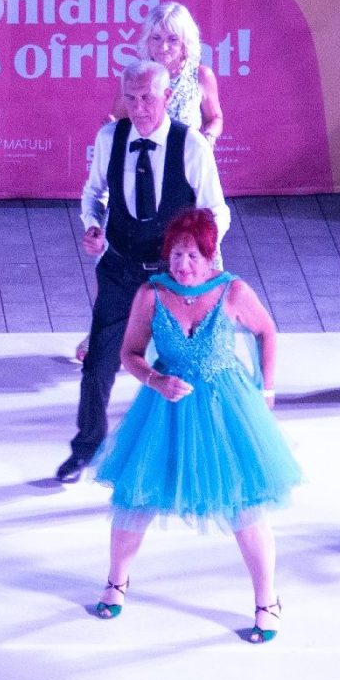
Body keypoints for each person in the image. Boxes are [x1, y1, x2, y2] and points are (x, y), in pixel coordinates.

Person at [88, 209, 299, 641]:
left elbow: (267, 331)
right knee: (135, 497)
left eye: (192, 256)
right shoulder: (151, 294)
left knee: (244, 505)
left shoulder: (234, 291)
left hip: (226, 408)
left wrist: (267, 390)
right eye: (176, 255)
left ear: (210, 256)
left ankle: (267, 601)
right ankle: (116, 582)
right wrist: (156, 380)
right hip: (164, 408)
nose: (183, 265)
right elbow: (130, 353)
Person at [58, 60, 230, 483]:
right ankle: (86, 447)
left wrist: (197, 258)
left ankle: (201, 446)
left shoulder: (191, 145)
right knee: (99, 361)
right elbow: (94, 193)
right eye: (131, 99)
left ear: (167, 97)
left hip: (173, 277)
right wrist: (93, 225)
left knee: (190, 364)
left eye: (147, 98)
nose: (138, 108)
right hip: (120, 266)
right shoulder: (110, 137)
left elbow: (216, 210)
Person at [139, 1, 224, 141]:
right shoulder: (136, 77)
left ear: (185, 42)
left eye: (172, 39)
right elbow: (117, 120)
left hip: (187, 153)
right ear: (147, 40)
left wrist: (209, 137)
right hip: (145, 154)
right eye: (156, 38)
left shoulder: (201, 75)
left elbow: (215, 118)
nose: (163, 47)